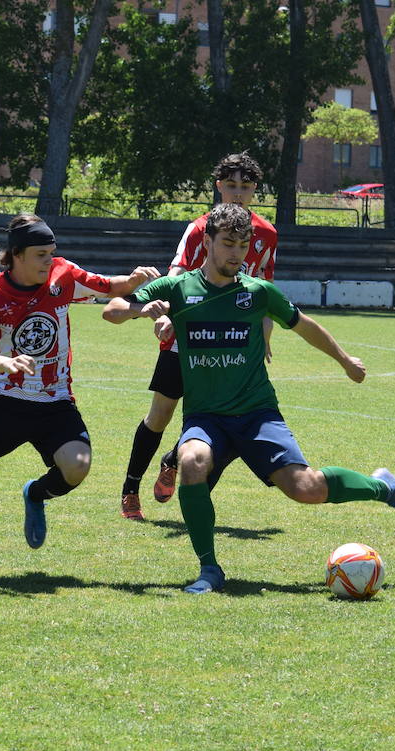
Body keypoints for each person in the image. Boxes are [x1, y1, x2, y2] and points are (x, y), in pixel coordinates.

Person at [104, 204, 395, 594]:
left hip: (257, 414)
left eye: (243, 245)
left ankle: (384, 488)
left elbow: (304, 326)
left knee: (305, 489)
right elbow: (112, 310)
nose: (237, 254)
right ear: (207, 242)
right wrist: (142, 308)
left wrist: (344, 360)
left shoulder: (257, 292)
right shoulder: (180, 288)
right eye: (227, 244)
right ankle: (209, 569)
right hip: (206, 416)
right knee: (191, 461)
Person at [0, 213, 161, 578]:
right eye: (41, 254)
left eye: (52, 252)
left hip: (55, 400)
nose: (50, 260)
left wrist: (135, 279)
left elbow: (108, 286)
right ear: (16, 255)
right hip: (6, 397)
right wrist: (4, 362)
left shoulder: (62, 274)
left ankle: (35, 494)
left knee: (77, 468)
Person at [113, 151, 279, 521]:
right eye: (231, 185)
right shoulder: (199, 228)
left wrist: (264, 334)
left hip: (234, 345)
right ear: (218, 187)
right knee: (160, 415)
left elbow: (264, 289)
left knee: (235, 417)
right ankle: (130, 489)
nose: (238, 193)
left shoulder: (266, 234)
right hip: (185, 339)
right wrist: (165, 317)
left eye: (246, 187)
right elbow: (175, 277)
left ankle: (174, 460)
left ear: (256, 190)